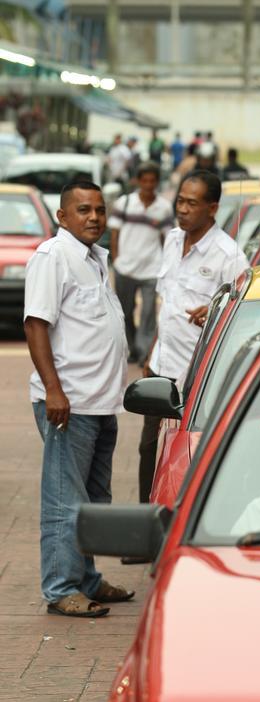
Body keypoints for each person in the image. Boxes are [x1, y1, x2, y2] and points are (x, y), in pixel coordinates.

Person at [23, 180, 133, 618]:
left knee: (92, 502)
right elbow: (35, 325)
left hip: (101, 402)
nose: (94, 218)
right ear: (62, 217)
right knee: (64, 501)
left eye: (99, 210)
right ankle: (61, 588)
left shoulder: (95, 259)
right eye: (83, 210)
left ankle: (87, 579)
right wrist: (53, 389)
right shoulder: (54, 257)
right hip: (68, 404)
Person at [137, 170, 249, 504]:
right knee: (148, 447)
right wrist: (151, 353)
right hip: (162, 367)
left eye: (192, 203)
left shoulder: (229, 256)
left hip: (197, 375)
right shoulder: (172, 239)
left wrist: (214, 313)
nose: (182, 209)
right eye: (180, 201)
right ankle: (145, 527)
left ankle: (185, 519)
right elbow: (166, 303)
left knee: (189, 451)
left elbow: (239, 321)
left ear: (212, 208)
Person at [108, 161, 174, 364]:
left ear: (156, 182)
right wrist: (117, 259)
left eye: (152, 181)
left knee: (148, 313)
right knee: (125, 312)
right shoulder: (124, 203)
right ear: (138, 181)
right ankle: (134, 348)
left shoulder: (163, 208)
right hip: (125, 268)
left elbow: (168, 238)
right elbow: (114, 233)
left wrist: (166, 264)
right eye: (144, 180)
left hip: (151, 270)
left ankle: (145, 351)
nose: (148, 185)